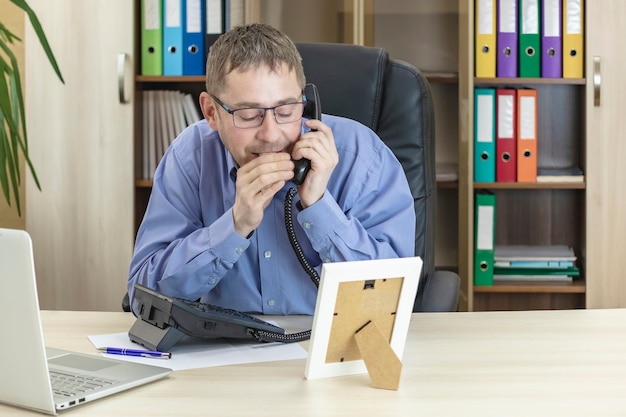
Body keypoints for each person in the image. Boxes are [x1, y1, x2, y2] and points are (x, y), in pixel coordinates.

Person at [127, 23, 415, 316]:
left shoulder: (363, 155)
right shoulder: (191, 157)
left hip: (334, 352)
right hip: (226, 353)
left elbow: (393, 300)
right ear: (212, 112)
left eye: (285, 111)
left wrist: (319, 207)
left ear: (306, 104)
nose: (271, 134)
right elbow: (142, 299)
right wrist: (235, 226)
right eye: (248, 115)